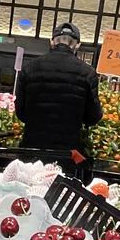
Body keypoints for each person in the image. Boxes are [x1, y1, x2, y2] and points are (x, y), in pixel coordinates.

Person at [15, 21, 102, 156]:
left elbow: (20, 112)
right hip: (67, 152)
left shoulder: (29, 68)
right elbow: (93, 117)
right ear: (77, 45)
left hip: (32, 148)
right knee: (63, 177)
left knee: (29, 176)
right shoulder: (88, 73)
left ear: (52, 42)